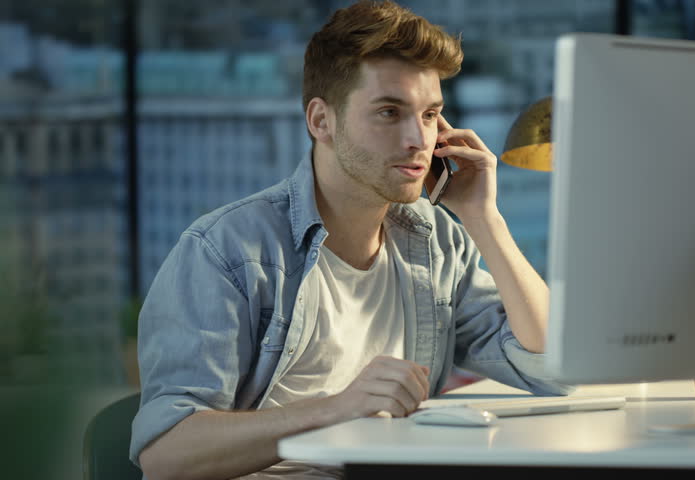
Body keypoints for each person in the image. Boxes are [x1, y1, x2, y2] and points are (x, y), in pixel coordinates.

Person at [131, 1, 572, 479]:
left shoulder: (438, 243)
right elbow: (166, 454)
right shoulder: (226, 251)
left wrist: (484, 218)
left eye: (430, 115)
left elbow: (553, 368)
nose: (419, 140)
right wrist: (338, 409)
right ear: (321, 121)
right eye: (389, 112)